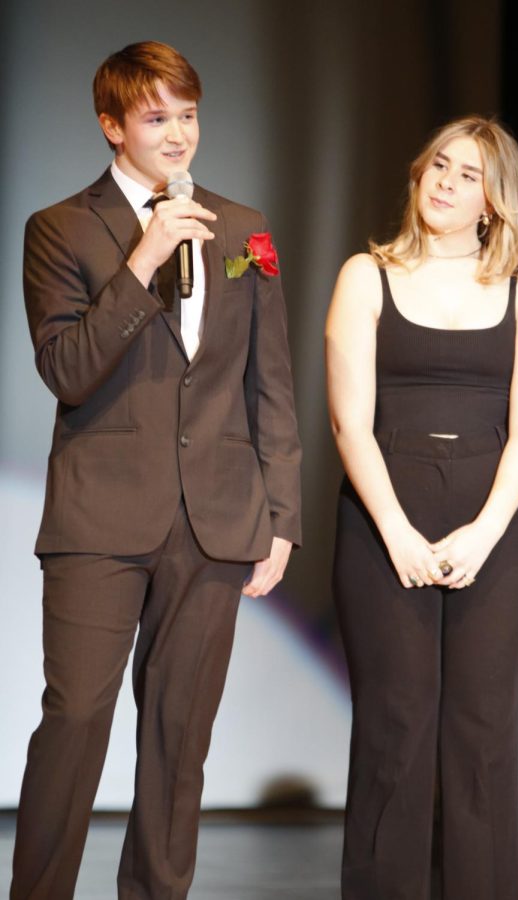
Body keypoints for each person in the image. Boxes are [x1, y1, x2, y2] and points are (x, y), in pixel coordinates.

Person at [11, 41, 301, 900]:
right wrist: (145, 257)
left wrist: (280, 513)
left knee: (180, 738)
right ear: (112, 126)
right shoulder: (60, 228)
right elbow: (67, 368)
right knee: (74, 722)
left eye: (188, 115)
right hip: (100, 521)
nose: (178, 135)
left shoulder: (246, 228)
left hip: (214, 518)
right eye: (156, 118)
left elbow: (270, 380)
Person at [325, 116, 518, 899]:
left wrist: (484, 534)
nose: (447, 182)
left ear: (494, 200)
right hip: (382, 522)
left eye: (468, 174)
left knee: (483, 735)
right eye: (439, 165)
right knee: (394, 726)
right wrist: (395, 531)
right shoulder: (367, 273)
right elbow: (347, 421)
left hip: (493, 530)